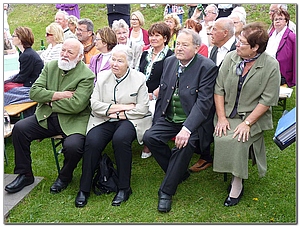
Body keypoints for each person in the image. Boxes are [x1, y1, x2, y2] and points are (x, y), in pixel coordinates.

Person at [5, 38, 95, 195]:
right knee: (19, 129)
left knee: (73, 147)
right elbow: (34, 92)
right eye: (63, 50)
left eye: (70, 52)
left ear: (80, 57)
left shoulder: (86, 75)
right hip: (46, 117)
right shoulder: (51, 66)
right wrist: (58, 95)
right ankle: (25, 174)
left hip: (73, 121)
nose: (65, 55)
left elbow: (77, 105)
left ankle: (64, 177)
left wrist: (49, 101)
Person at [143, 29, 218, 213]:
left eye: (185, 45)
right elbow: (164, 93)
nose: (179, 48)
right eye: (178, 44)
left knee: (183, 146)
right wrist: (158, 119)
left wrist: (187, 128)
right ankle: (179, 172)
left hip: (193, 122)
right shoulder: (169, 62)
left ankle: (166, 192)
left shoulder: (206, 67)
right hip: (169, 118)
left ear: (196, 47)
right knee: (150, 137)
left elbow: (203, 103)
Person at [74, 44, 152, 208]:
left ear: (128, 63)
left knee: (121, 139)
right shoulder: (102, 77)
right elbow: (94, 104)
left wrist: (121, 113)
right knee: (92, 141)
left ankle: (124, 188)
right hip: (104, 119)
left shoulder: (139, 79)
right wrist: (124, 107)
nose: (115, 64)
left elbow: (142, 108)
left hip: (130, 120)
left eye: (120, 61)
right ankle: (84, 188)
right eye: (113, 59)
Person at [213, 22, 281, 207]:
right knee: (221, 135)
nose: (236, 44)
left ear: (255, 47)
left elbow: (267, 100)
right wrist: (221, 118)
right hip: (227, 113)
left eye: (241, 42)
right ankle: (230, 171)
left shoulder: (271, 65)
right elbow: (218, 89)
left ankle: (237, 182)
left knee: (238, 138)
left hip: (253, 117)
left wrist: (248, 123)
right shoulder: (231, 58)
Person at [189, 17, 236, 173]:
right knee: (201, 115)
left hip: (230, 98)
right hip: (212, 93)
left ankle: (207, 155)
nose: (210, 32)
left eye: (215, 29)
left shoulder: (237, 49)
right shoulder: (216, 48)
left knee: (207, 118)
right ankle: (204, 152)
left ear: (225, 32)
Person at [138, 22, 174, 159]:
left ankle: (149, 142)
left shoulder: (171, 56)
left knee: (151, 110)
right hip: (142, 92)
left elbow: (169, 80)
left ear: (165, 38)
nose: (153, 38)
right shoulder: (145, 53)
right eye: (151, 35)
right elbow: (138, 73)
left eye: (157, 35)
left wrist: (153, 94)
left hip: (160, 95)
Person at [4, 27, 44, 107]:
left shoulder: (26, 55)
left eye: (14, 36)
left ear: (20, 39)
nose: (12, 38)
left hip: (32, 85)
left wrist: (8, 81)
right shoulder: (25, 53)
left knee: (5, 88)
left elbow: (22, 77)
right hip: (30, 81)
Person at [266, 7, 296, 87]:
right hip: (268, 69)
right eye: (275, 19)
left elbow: (296, 58)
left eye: (280, 19)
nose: (278, 21)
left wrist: (295, 79)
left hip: (283, 73)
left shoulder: (292, 37)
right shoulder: (270, 35)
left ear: (286, 21)